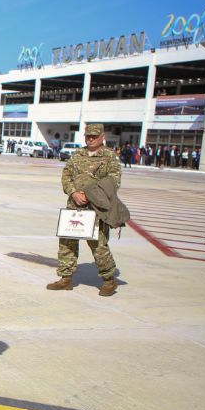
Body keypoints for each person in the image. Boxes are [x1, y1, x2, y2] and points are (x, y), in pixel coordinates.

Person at [46, 123, 122, 296]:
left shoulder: (109, 157)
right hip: (74, 206)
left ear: (102, 137)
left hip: (96, 208)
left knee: (98, 244)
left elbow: (113, 182)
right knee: (67, 242)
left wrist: (90, 194)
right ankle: (66, 278)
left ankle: (109, 279)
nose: (91, 139)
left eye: (94, 136)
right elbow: (66, 175)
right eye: (88, 136)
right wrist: (73, 192)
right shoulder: (77, 154)